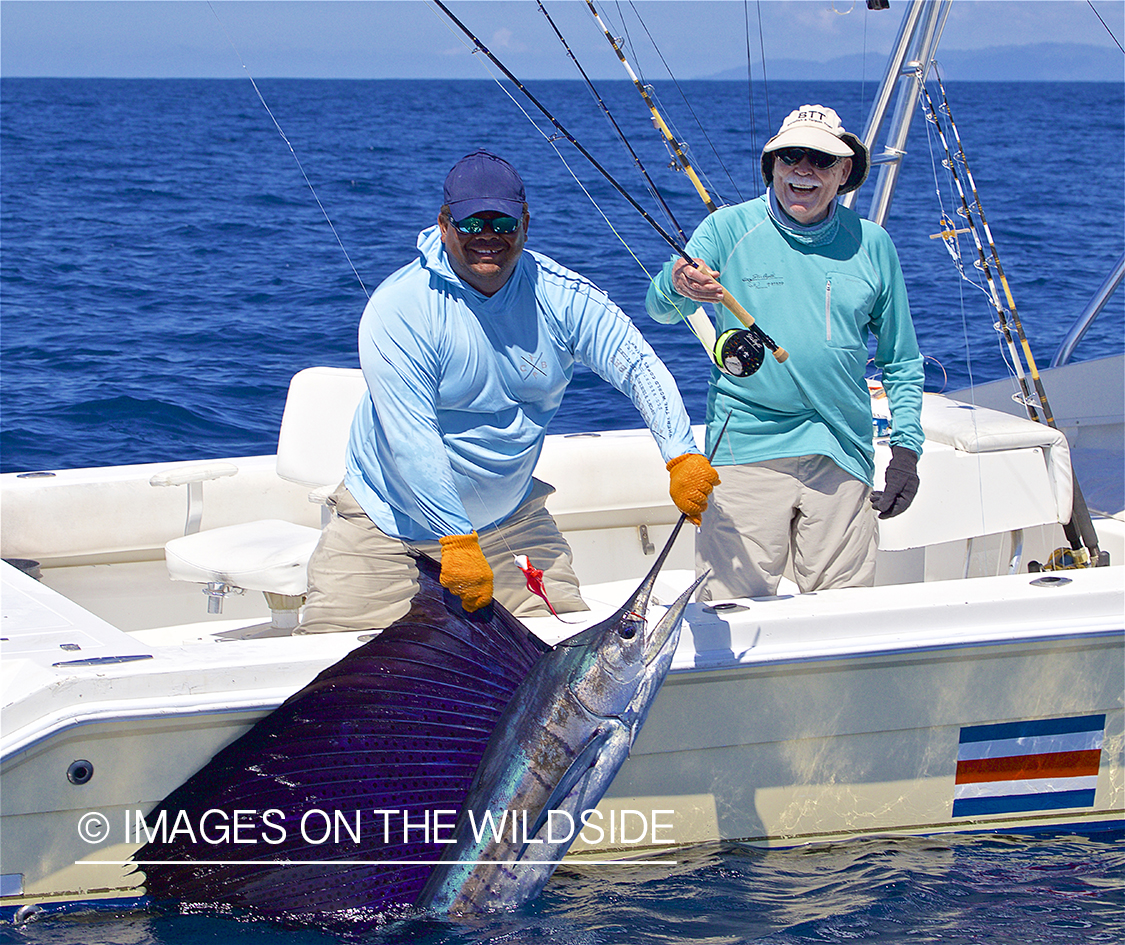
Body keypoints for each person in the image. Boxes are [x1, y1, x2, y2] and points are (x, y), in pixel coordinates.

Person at [299, 149, 719, 633]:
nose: (487, 237)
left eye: (502, 223)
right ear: (443, 224)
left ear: (525, 225)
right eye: (471, 223)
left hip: (509, 521)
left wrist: (681, 454)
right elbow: (411, 437)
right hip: (386, 525)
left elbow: (637, 365)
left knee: (564, 660)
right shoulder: (402, 308)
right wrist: (456, 540)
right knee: (331, 673)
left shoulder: (560, 295)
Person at [645, 105, 924, 600]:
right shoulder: (728, 228)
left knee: (848, 617)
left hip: (843, 450)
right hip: (745, 450)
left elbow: (900, 361)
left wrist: (905, 453)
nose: (803, 169)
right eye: (790, 156)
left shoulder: (873, 244)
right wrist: (679, 281)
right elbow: (659, 306)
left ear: (844, 173)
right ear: (772, 166)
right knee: (730, 614)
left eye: (821, 159)